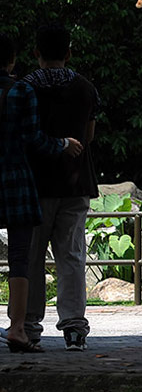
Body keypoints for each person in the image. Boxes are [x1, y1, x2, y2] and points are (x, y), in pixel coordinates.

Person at [0, 33, 82, 352]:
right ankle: (18, 329)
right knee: (21, 257)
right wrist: (62, 144)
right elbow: (33, 139)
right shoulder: (21, 90)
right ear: (12, 61)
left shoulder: (28, 84)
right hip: (17, 180)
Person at [22, 23, 100, 351]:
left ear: (36, 52)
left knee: (31, 258)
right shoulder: (85, 88)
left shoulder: (23, 88)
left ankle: (28, 326)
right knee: (71, 256)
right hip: (76, 182)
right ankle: (74, 328)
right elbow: (90, 136)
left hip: (34, 186)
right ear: (69, 52)